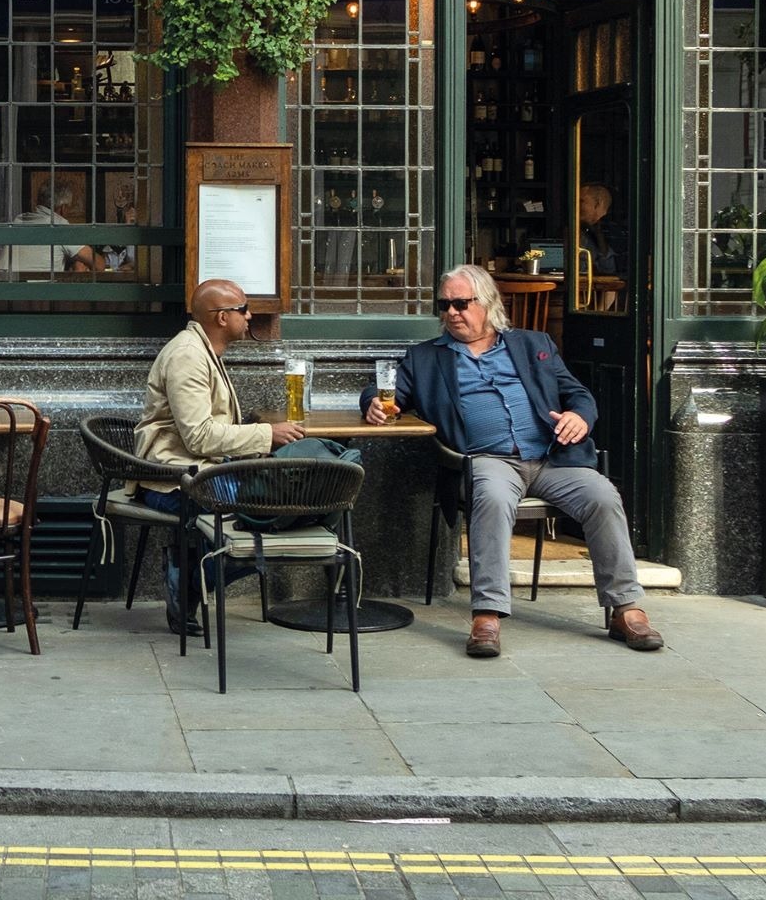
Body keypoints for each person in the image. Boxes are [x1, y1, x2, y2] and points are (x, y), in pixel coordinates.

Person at [361, 264, 661, 658]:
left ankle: (626, 608)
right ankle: (487, 614)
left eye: (461, 303)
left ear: (486, 304)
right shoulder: (426, 358)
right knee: (493, 498)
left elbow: (579, 395)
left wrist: (579, 417)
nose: (451, 312)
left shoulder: (532, 344)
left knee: (603, 496)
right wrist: (374, 404)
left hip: (553, 458)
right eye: (445, 304)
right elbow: (383, 390)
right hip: (488, 460)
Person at [132, 278, 304, 634]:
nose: (250, 315)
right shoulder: (187, 357)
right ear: (223, 317)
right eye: (243, 309)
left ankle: (190, 573)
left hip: (202, 472)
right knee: (263, 518)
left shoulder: (205, 350)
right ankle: (189, 578)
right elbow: (198, 436)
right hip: (172, 480)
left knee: (287, 507)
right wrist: (267, 434)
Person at [0, 180, 95, 274]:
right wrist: (78, 263)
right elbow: (99, 264)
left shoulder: (18, 220)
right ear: (63, 208)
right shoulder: (59, 225)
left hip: (2, 289)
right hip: (37, 290)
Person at [578, 183, 625, 278]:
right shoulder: (581, 229)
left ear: (598, 204)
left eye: (581, 201)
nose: (577, 206)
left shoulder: (613, 231)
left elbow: (609, 269)